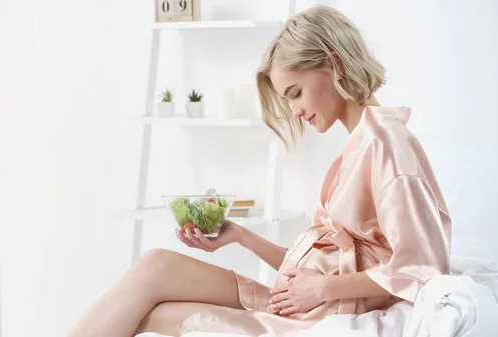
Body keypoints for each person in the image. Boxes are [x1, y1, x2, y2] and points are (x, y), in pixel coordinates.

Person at [67, 5, 451, 337]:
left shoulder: (387, 143)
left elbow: (423, 267)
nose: (296, 111)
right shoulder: (359, 146)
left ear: (333, 64)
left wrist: (323, 290)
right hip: (298, 299)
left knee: (155, 312)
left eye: (296, 93)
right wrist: (240, 236)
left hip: (317, 312)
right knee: (155, 264)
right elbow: (323, 264)